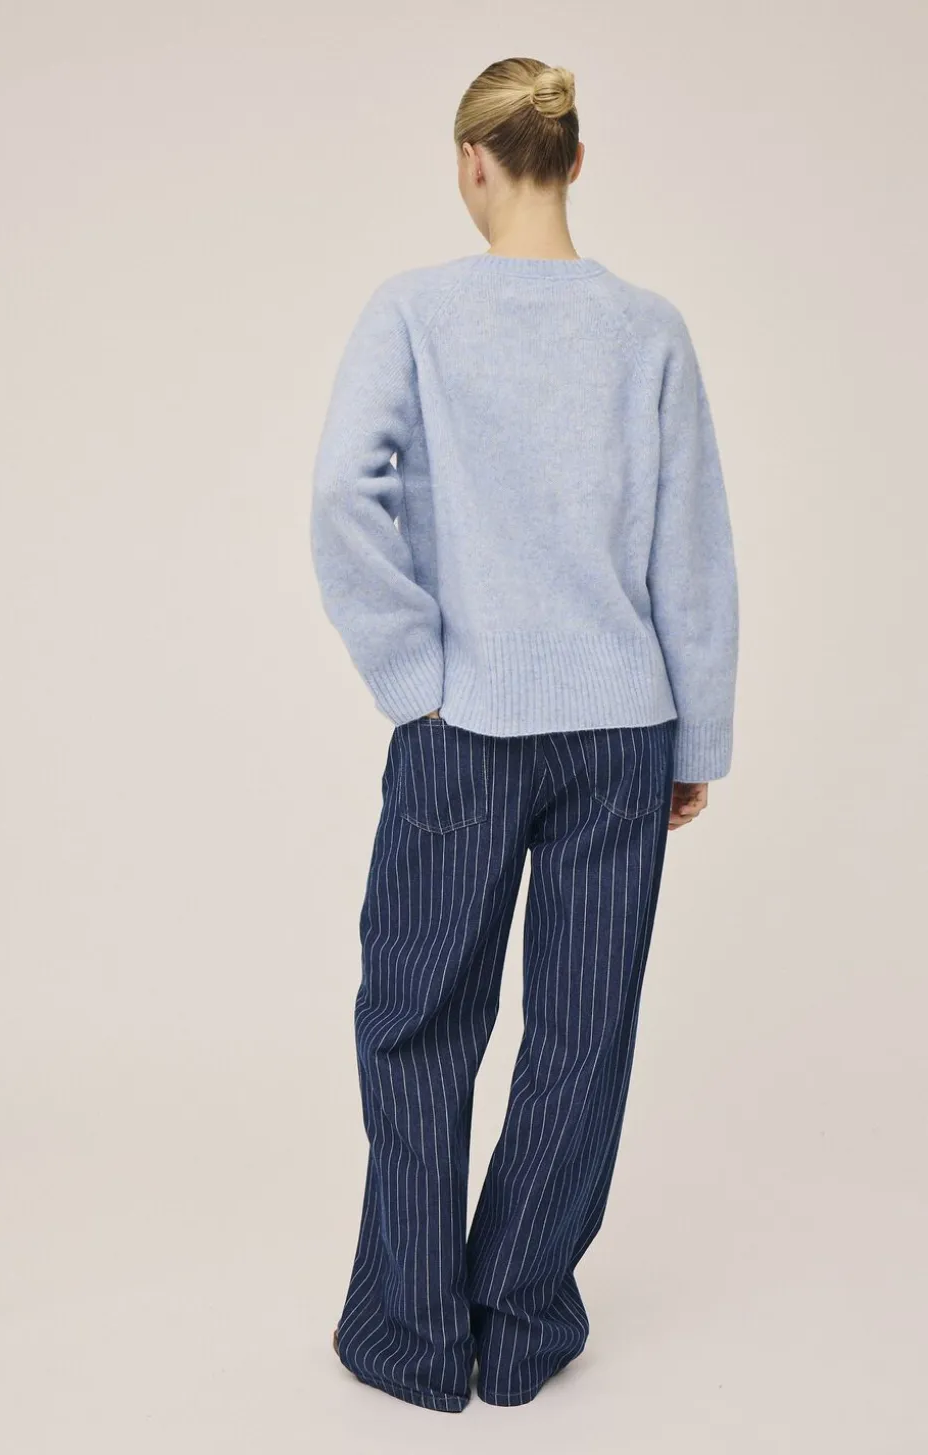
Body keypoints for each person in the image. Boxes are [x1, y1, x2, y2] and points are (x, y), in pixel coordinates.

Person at [309, 55, 739, 1413]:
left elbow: (341, 496)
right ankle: (522, 1321)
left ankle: (414, 1335)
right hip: (620, 728)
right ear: (574, 162)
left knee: (418, 1023)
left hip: (465, 727)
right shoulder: (648, 328)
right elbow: (692, 549)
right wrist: (694, 740)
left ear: (472, 162)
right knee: (580, 1035)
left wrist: (414, 671)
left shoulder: (416, 310)